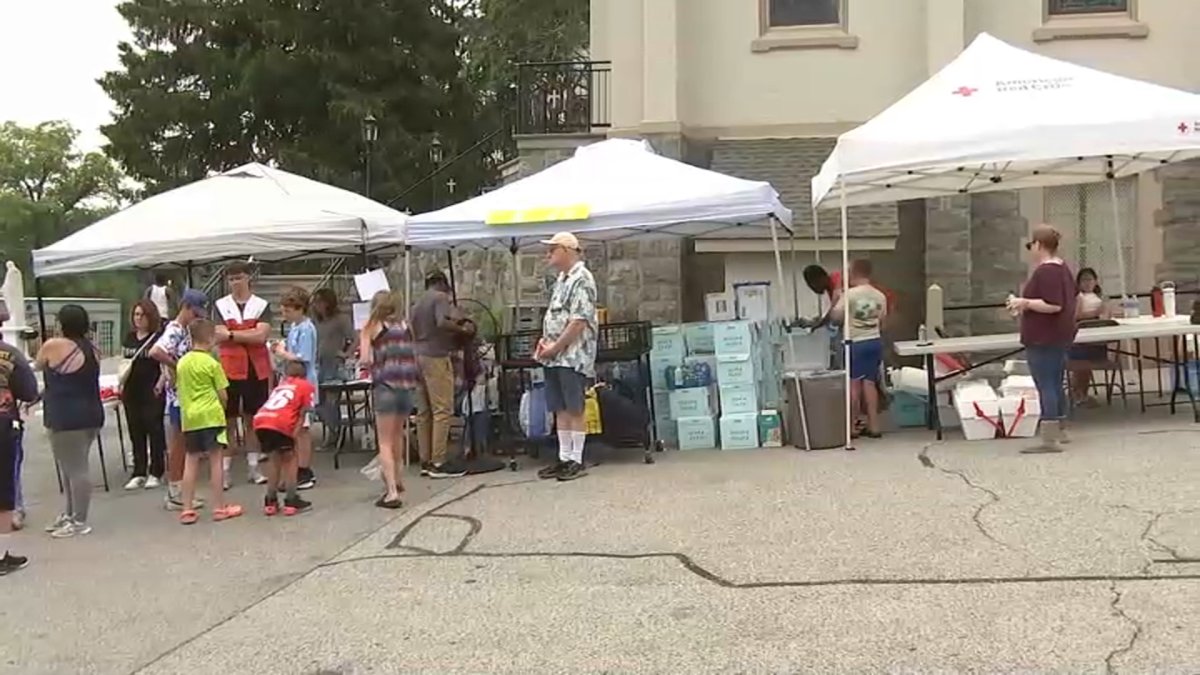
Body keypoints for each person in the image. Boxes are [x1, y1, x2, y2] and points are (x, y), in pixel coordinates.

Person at [1007, 225, 1077, 454]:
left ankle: (1049, 439)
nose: (1031, 250)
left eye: (1031, 245)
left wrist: (1023, 302)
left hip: (1043, 336)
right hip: (1059, 335)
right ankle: (1060, 429)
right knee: (1055, 382)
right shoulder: (1063, 268)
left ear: (1038, 244)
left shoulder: (1046, 271)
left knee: (1045, 383)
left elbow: (1053, 304)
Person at [36, 304, 105, 538]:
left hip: (65, 416)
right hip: (91, 414)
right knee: (71, 466)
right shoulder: (93, 349)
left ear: (62, 323)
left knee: (75, 470)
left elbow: (37, 366)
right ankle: (70, 514)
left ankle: (79, 520)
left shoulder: (53, 346)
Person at [535, 232, 598, 482]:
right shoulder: (562, 278)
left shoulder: (582, 278)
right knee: (559, 406)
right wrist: (545, 343)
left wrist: (556, 346)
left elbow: (578, 321)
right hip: (554, 356)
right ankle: (564, 457)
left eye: (553, 249)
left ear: (567, 250)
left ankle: (576, 458)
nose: (548, 254)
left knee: (574, 406)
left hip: (572, 355)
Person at [175, 319, 242, 524]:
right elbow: (223, 394)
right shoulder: (212, 363)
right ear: (211, 338)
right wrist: (222, 407)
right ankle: (219, 506)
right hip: (211, 416)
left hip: (190, 417)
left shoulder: (182, 362)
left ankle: (187, 508)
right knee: (215, 461)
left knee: (191, 461)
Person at [213, 262, 273, 487]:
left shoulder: (261, 305)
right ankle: (226, 470)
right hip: (229, 369)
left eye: (239, 277)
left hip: (255, 369)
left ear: (248, 278)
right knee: (227, 421)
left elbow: (261, 336)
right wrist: (247, 333)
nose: (235, 283)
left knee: (252, 419)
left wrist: (232, 334)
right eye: (231, 279)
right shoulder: (221, 305)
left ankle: (254, 467)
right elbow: (217, 334)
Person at [150, 289, 210, 511]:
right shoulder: (175, 330)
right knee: (179, 445)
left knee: (184, 444)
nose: (197, 318)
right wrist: (177, 367)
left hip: (184, 395)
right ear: (185, 307)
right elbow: (156, 352)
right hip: (179, 399)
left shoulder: (184, 330)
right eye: (195, 313)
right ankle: (175, 491)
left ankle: (180, 490)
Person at [360, 291, 418, 508]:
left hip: (386, 385)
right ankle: (399, 479)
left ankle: (391, 492)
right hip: (407, 385)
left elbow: (365, 358)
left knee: (384, 441)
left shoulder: (372, 326)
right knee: (398, 435)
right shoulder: (405, 326)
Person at [410, 272, 469, 479]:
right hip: (435, 355)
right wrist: (461, 327)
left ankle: (425, 460)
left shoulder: (417, 303)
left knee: (423, 411)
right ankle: (439, 461)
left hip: (417, 356)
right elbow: (441, 322)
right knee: (442, 409)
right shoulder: (440, 298)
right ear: (443, 284)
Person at [831, 260, 888, 442]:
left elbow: (836, 317)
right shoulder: (880, 296)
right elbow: (883, 321)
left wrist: (836, 296)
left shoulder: (849, 295)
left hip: (854, 342)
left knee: (853, 383)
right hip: (874, 340)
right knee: (870, 383)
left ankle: (852, 426)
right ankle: (874, 425)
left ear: (853, 273)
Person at [0, 310, 38, 574]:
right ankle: (1, 555)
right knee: (4, 487)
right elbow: (29, 391)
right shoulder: (10, 355)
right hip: (3, 425)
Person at [252, 360, 314, 516]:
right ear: (304, 375)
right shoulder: (305, 386)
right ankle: (291, 499)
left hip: (262, 420)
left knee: (274, 460)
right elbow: (302, 414)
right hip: (281, 423)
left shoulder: (280, 387)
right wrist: (294, 435)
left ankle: (270, 500)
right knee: (290, 460)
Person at [271, 287, 318, 490]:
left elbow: (303, 357)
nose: (285, 314)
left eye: (288, 310)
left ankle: (304, 470)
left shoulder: (307, 328)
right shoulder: (294, 327)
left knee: (303, 429)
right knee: (295, 428)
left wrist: (282, 353)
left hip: (303, 382)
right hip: (292, 381)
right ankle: (296, 468)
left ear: (300, 309)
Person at [121, 300, 167, 490]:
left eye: (142, 315)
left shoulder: (158, 337)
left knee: (154, 428)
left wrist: (161, 383)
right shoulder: (129, 337)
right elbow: (124, 360)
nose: (138, 319)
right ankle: (139, 471)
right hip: (132, 389)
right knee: (135, 429)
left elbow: (164, 364)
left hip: (152, 387)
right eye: (136, 315)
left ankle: (156, 470)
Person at [312, 288, 354, 447]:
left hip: (334, 364)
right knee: (317, 402)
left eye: (320, 302)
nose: (317, 306)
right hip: (318, 364)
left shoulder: (341, 319)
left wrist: (346, 353)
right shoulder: (316, 322)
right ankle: (332, 428)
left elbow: (355, 338)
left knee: (330, 401)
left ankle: (335, 434)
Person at [1069, 267, 1110, 407]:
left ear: (1095, 281)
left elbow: (1105, 314)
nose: (1087, 283)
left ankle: (1083, 393)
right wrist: (1095, 314)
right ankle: (1078, 393)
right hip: (1081, 339)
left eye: (1090, 279)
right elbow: (1076, 316)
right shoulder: (1079, 297)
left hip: (1096, 338)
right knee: (1082, 364)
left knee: (1089, 363)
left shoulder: (1099, 297)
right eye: (1083, 280)